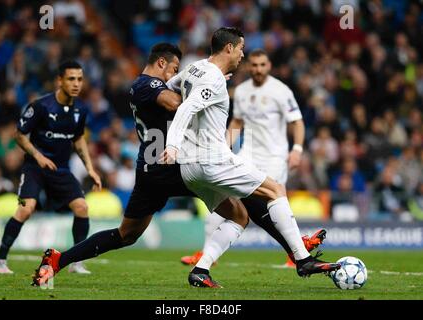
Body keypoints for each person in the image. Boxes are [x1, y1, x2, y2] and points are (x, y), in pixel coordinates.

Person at [31, 41, 334, 289]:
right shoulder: (144, 84)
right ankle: (297, 247)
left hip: (153, 169)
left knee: (127, 235)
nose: (174, 74)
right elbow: (177, 104)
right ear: (162, 63)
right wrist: (204, 87)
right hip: (171, 164)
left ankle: (58, 260)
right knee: (250, 199)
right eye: (174, 69)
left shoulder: (147, 86)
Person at [161, 27, 340, 287]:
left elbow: (170, 88)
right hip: (211, 159)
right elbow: (188, 107)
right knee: (276, 190)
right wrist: (172, 143)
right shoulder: (213, 78)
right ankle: (302, 259)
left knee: (239, 216)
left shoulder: (195, 68)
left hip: (189, 168)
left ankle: (201, 270)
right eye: (241, 49)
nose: (243, 55)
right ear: (229, 48)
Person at [180, 48, 320, 268]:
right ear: (248, 66)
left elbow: (297, 122)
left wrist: (298, 149)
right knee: (226, 205)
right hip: (248, 154)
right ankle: (208, 255)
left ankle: (295, 251)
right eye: (254, 65)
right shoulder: (242, 91)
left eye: (262, 65)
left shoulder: (281, 91)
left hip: (274, 157)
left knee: (271, 201)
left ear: (269, 66)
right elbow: (237, 123)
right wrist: (222, 147)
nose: (258, 69)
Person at [0, 61, 102, 275]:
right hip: (35, 168)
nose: (76, 84)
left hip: (60, 169)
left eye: (79, 79)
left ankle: (76, 263)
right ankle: (0, 260)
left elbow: (78, 139)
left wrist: (90, 168)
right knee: (26, 208)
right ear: (59, 81)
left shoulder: (81, 109)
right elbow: (19, 135)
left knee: (82, 207)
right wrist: (38, 156)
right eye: (71, 79)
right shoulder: (40, 106)